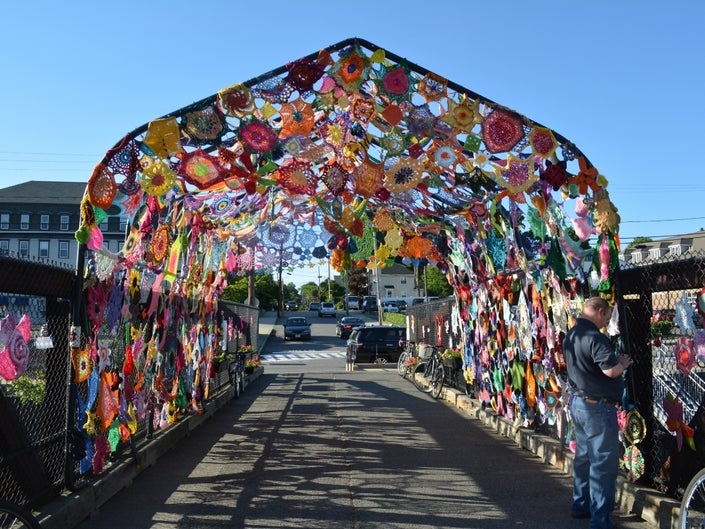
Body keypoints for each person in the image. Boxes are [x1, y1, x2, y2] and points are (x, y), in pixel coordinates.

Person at [563, 296, 633, 529]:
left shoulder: (572, 335)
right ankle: (600, 519)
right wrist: (622, 363)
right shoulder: (596, 337)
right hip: (599, 407)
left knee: (583, 457)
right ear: (600, 312)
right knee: (603, 462)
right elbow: (611, 371)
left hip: (579, 402)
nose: (607, 321)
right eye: (608, 315)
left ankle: (580, 504)